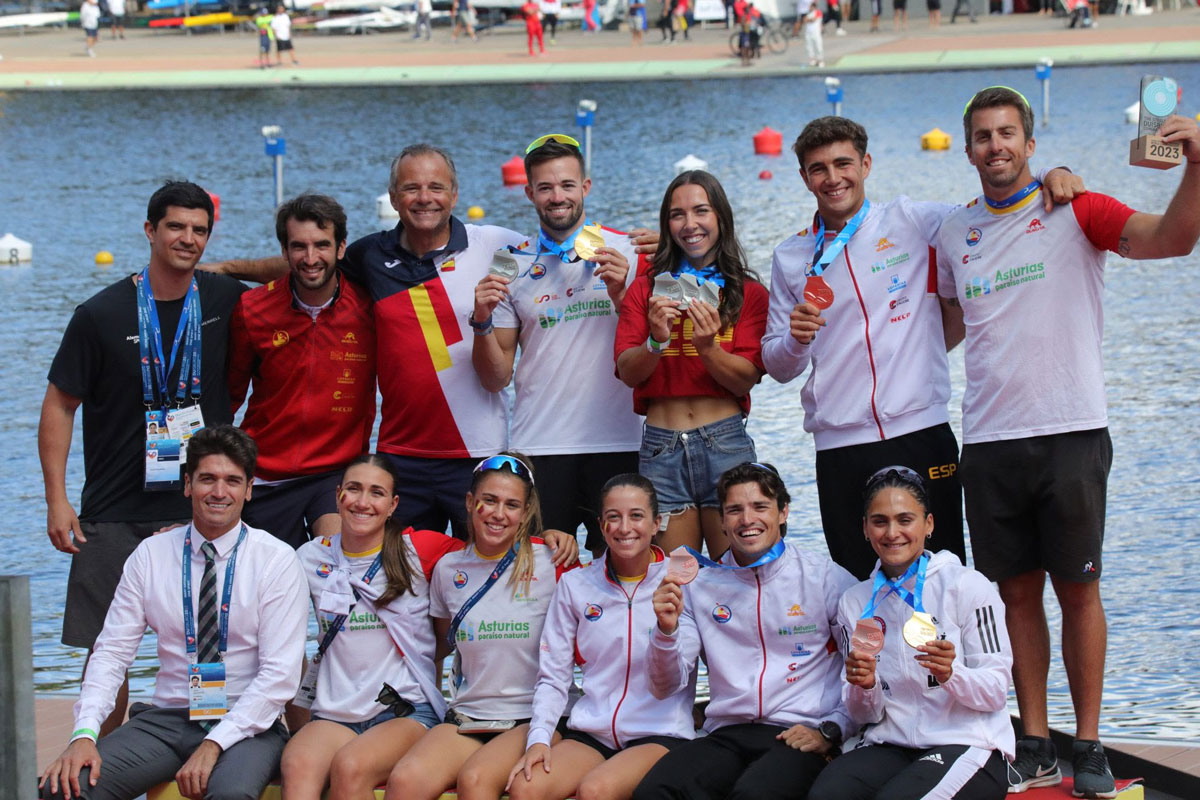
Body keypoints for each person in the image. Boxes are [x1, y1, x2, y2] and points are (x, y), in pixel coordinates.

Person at [936, 86, 1200, 798]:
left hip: (1071, 432)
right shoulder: (952, 235)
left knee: (1079, 592)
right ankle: (1035, 740)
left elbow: (1173, 239)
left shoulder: (1075, 206)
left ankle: (1088, 744)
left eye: (1008, 134)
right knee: (1014, 598)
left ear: (1029, 141)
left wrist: (1195, 168)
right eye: (984, 137)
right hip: (988, 440)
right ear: (968, 151)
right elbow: (944, 327)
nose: (996, 147)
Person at [759, 116, 1083, 581]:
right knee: (857, 585)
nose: (833, 178)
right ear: (804, 177)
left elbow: (997, 210)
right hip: (840, 446)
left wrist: (1053, 173)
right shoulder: (790, 257)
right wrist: (795, 339)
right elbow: (777, 365)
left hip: (921, 432)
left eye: (843, 163)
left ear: (866, 164)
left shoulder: (911, 220)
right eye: (818, 168)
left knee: (944, 579)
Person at [205, 145, 529, 539]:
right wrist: (225, 268)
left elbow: (559, 250)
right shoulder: (371, 255)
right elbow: (312, 264)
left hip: (476, 453)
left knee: (481, 577)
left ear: (455, 194)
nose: (424, 198)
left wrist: (619, 251)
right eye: (411, 188)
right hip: (399, 458)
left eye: (435, 187)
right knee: (395, 585)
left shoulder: (497, 243)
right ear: (393, 198)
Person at [40, 181, 246, 737]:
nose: (188, 238)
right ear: (150, 230)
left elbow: (303, 265)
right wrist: (57, 501)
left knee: (213, 641)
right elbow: (60, 406)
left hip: (206, 503)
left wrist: (231, 265)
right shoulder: (100, 313)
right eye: (175, 227)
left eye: (200, 230)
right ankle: (96, 763)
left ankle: (209, 754)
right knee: (108, 649)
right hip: (113, 507)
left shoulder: (226, 299)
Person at [39, 425, 308, 800]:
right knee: (63, 789)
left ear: (248, 490)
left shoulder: (276, 560)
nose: (218, 492)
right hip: (167, 720)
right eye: (207, 479)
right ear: (187, 485)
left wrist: (214, 743)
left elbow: (280, 675)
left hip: (246, 724)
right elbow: (113, 653)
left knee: (229, 795)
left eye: (232, 481)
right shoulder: (151, 555)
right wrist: (84, 734)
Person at [634, 463, 857, 800]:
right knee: (655, 791)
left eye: (760, 507)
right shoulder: (700, 584)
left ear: (783, 512)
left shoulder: (824, 577)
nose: (747, 519)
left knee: (754, 794)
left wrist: (833, 728)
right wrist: (665, 632)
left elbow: (863, 667)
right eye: (735, 510)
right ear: (721, 521)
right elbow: (665, 686)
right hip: (727, 732)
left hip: (799, 732)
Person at [472, 134, 644, 559]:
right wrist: (480, 320)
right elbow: (496, 377)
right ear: (529, 192)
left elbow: (653, 346)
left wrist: (625, 293)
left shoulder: (631, 251)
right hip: (542, 446)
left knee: (625, 577)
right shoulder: (510, 262)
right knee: (540, 582)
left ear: (586, 187)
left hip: (620, 442)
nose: (557, 196)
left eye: (567, 185)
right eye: (545, 187)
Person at [808, 466, 1013, 800]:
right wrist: (866, 686)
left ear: (928, 524)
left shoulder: (967, 586)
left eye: (905, 520)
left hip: (966, 742)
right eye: (880, 521)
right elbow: (864, 715)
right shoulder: (855, 602)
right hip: (890, 743)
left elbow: (995, 692)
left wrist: (952, 674)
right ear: (865, 528)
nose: (892, 533)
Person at [385, 454, 570, 800]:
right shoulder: (447, 568)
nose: (499, 514)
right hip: (469, 716)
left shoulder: (551, 561)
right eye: (489, 501)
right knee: (405, 781)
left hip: (530, 718)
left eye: (512, 504)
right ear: (470, 503)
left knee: (475, 779)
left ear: (526, 511)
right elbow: (442, 643)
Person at [282, 454, 465, 800]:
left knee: (351, 766)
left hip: (404, 710)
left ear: (393, 504)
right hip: (334, 713)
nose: (363, 502)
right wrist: (182, 533)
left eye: (376, 493)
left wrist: (547, 540)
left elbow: (491, 553)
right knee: (296, 764)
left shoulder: (419, 549)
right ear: (338, 496)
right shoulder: (308, 557)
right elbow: (249, 559)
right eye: (354, 489)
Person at [506, 474, 695, 800]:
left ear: (656, 524)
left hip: (658, 732)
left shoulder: (683, 581)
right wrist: (539, 738)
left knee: (596, 790)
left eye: (636, 516)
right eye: (613, 517)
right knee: (526, 788)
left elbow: (668, 685)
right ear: (601, 525)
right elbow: (553, 675)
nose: (624, 528)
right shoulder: (576, 584)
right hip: (593, 732)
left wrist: (666, 631)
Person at [615, 171, 768, 556]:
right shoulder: (646, 288)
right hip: (662, 448)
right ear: (667, 224)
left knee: (738, 572)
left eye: (701, 211)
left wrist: (709, 348)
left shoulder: (748, 292)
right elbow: (628, 373)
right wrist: (656, 340)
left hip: (726, 443)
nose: (690, 224)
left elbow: (744, 380)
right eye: (676, 214)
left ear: (721, 218)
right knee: (675, 578)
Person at [228, 193, 376, 550]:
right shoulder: (252, 309)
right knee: (265, 597)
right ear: (284, 251)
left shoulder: (371, 308)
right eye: (299, 247)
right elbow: (228, 398)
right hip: (265, 477)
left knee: (335, 576)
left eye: (321, 246)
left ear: (341, 248)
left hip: (334, 476)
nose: (310, 259)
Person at [803, 2, 823, 67]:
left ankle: (820, 60)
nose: (810, 8)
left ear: (814, 7)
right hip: (808, 32)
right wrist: (809, 19)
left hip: (816, 32)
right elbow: (804, 20)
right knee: (809, 47)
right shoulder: (808, 13)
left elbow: (813, 20)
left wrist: (809, 19)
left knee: (818, 46)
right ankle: (812, 60)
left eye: (811, 7)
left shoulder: (818, 12)